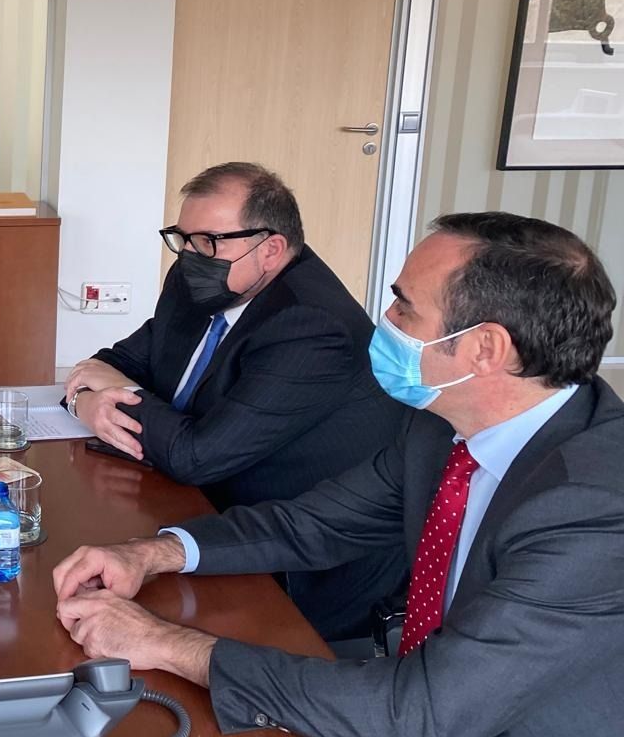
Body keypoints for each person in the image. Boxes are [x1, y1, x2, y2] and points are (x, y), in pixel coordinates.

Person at [51, 212, 622, 737]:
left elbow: (414, 719)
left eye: (405, 307)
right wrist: (153, 551)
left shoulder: (594, 508)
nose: (384, 320)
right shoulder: (443, 428)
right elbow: (315, 522)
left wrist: (167, 643)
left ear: (485, 348)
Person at [61, 162, 406, 640]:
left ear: (271, 250)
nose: (189, 256)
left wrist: (122, 396)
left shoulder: (311, 327)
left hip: (294, 560)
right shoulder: (199, 282)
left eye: (209, 241)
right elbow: (113, 363)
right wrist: (83, 400)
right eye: (182, 239)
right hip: (195, 507)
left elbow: (196, 455)